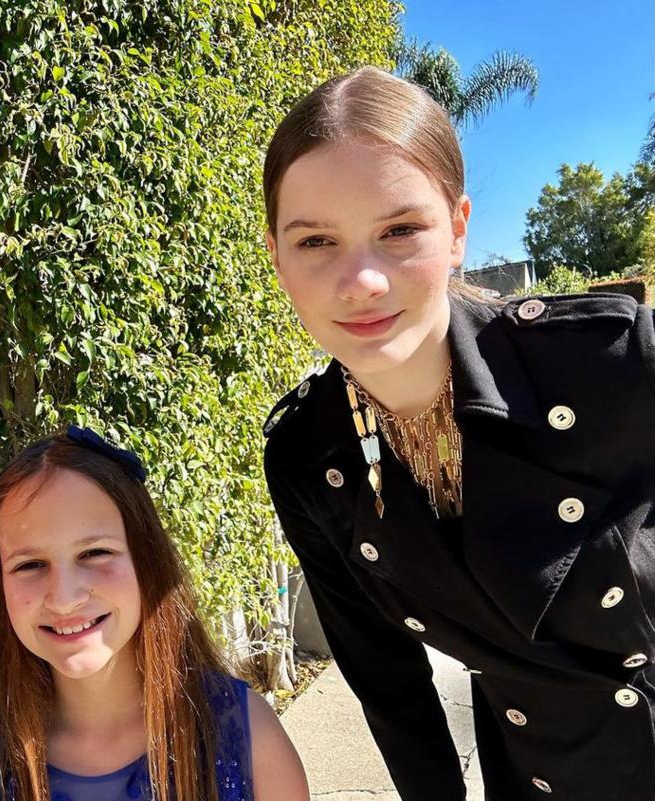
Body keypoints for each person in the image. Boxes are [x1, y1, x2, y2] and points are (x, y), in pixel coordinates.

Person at [261, 65, 655, 801]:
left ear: (459, 230)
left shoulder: (608, 362)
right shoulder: (307, 457)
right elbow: (391, 688)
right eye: (316, 240)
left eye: (399, 229)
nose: (362, 279)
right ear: (278, 258)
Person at [0, 427, 308, 801]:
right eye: (31, 564)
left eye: (94, 553)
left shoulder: (247, 737)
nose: (64, 598)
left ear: (147, 561)